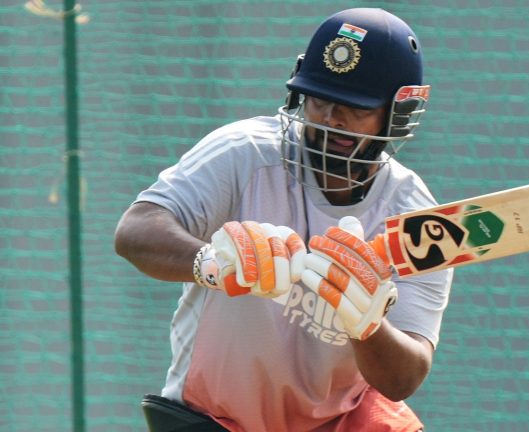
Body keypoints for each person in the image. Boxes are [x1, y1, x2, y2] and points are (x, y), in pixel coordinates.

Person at [115, 8, 453, 432]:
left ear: (397, 113)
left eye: (355, 107)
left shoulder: (415, 217)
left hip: (335, 420)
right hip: (217, 417)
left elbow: (404, 378)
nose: (331, 118)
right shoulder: (243, 153)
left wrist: (367, 324)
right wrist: (214, 263)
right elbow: (135, 232)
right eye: (319, 98)